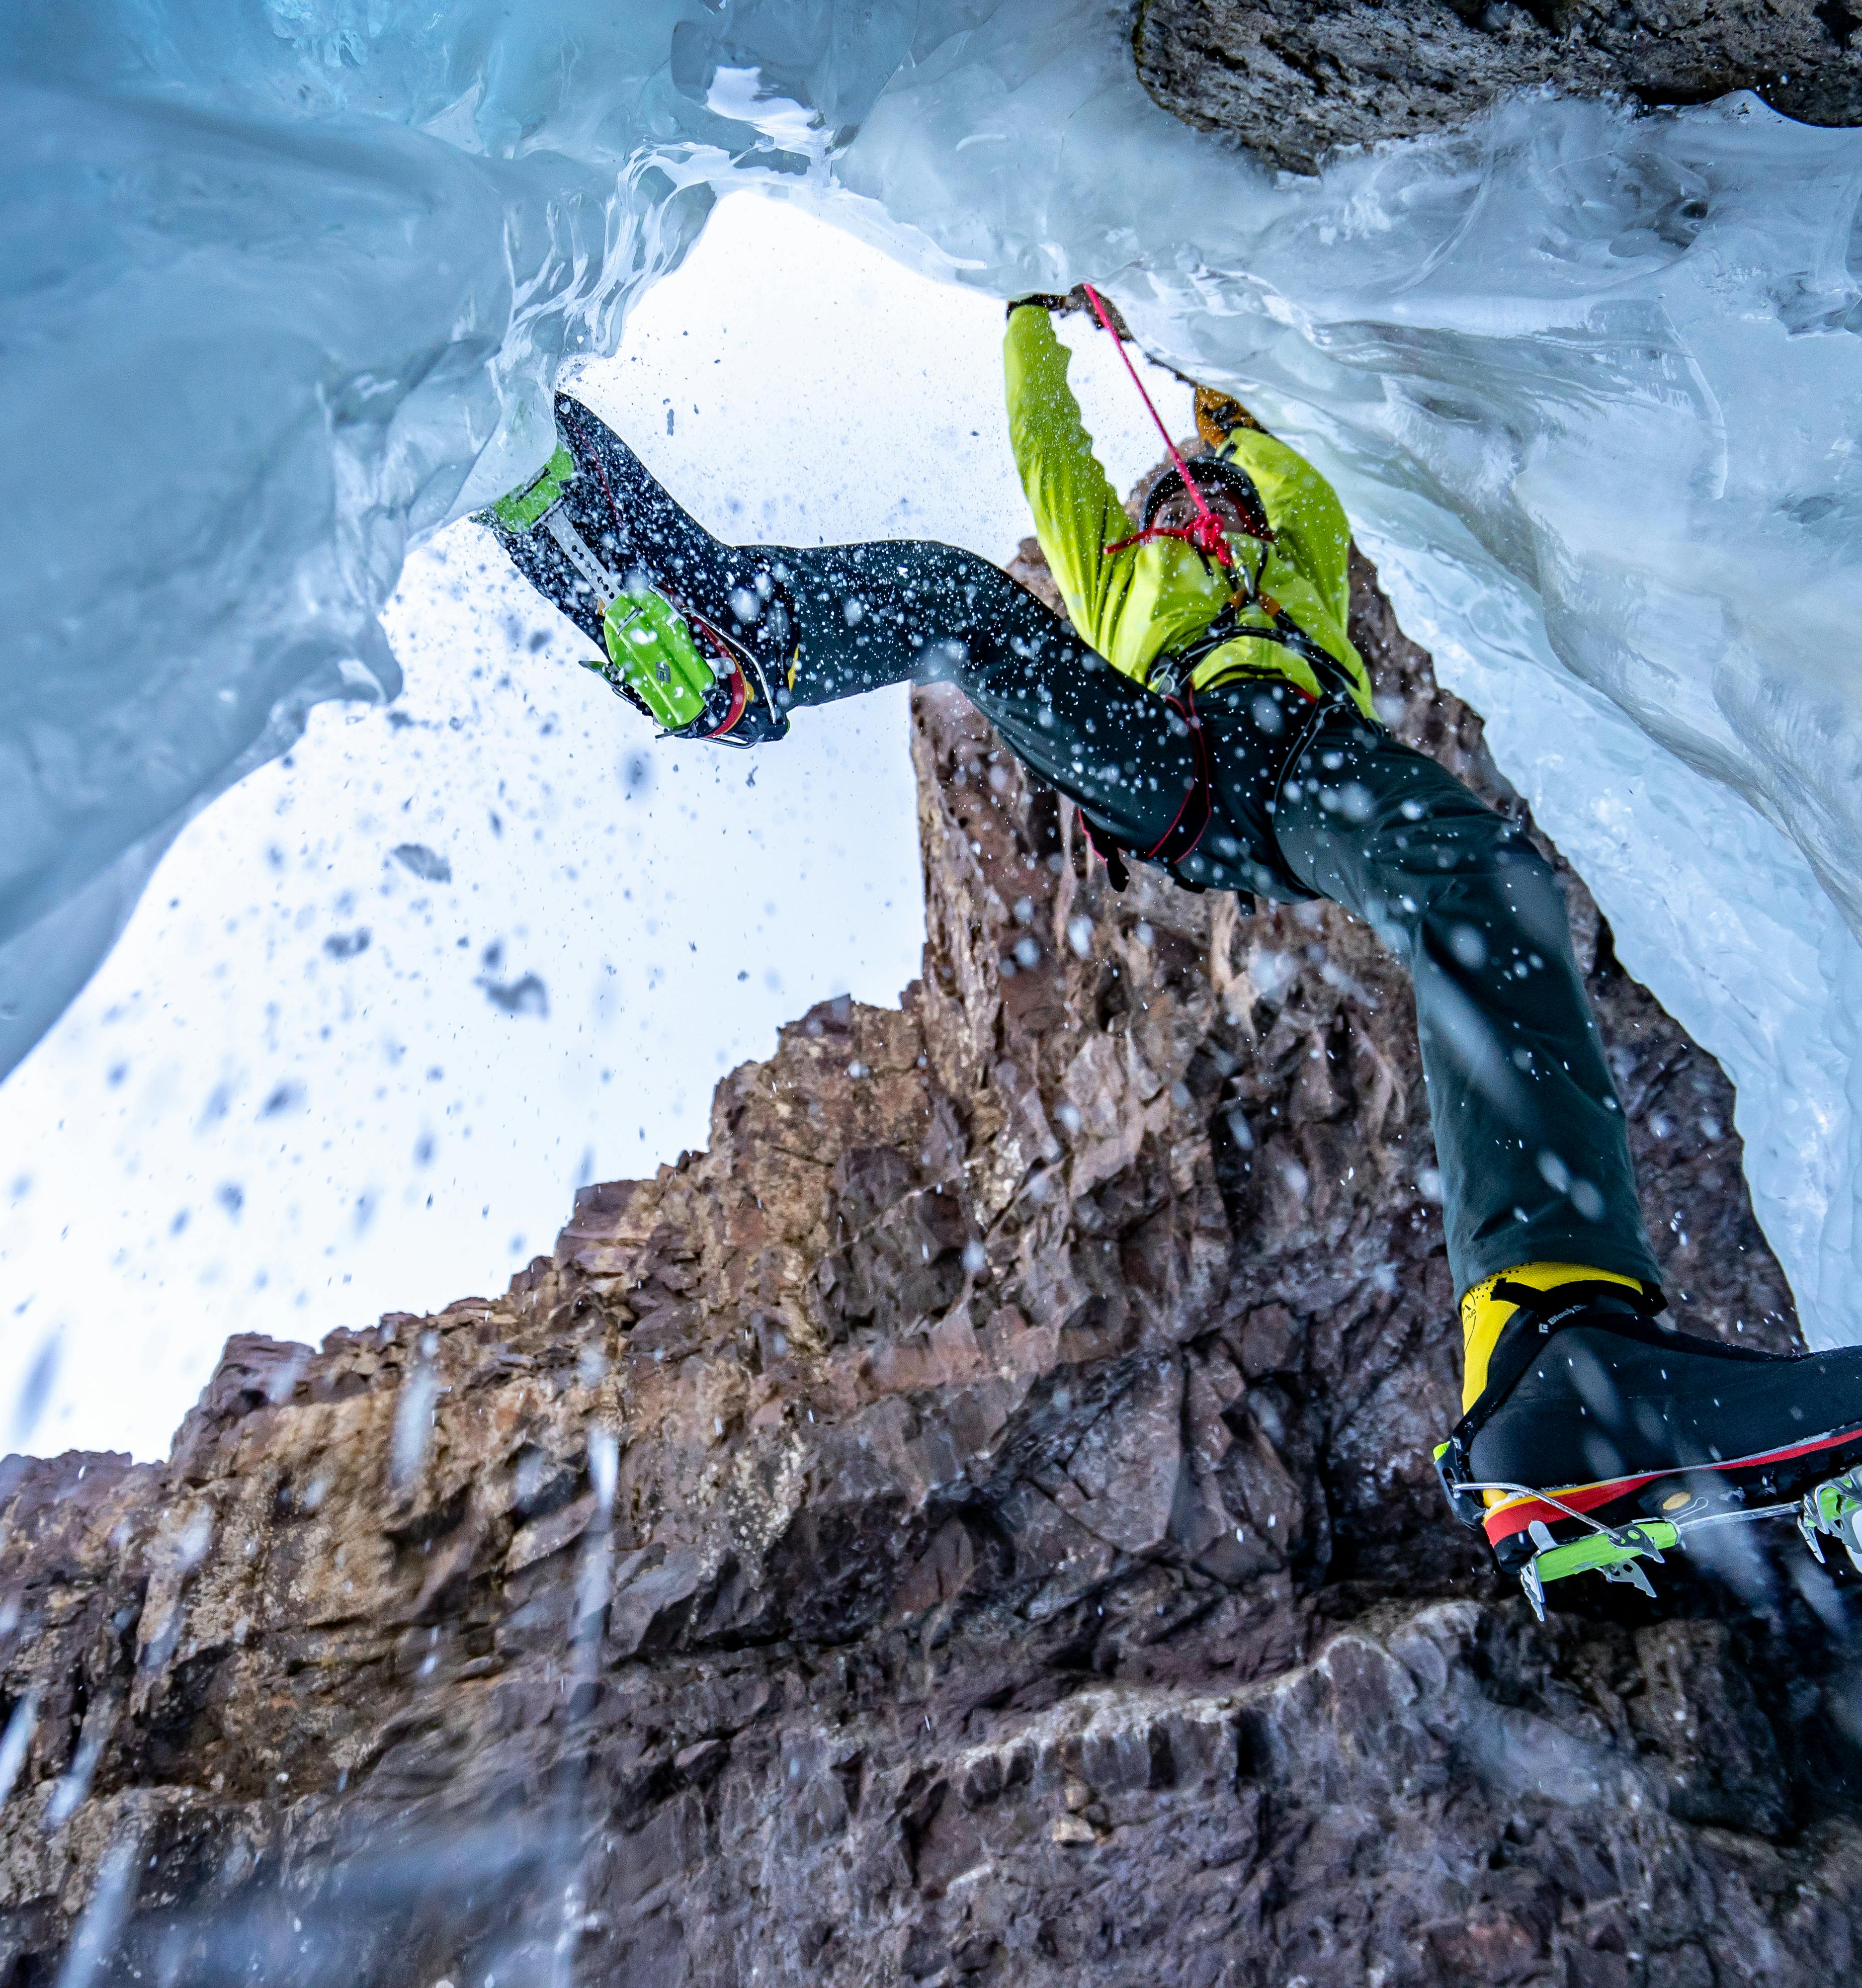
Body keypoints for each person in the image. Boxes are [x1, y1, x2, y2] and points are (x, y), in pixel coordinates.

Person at [484, 292, 1862, 1616]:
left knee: (1488, 882)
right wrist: (1036, 317)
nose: (1176, 505)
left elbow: (1277, 455)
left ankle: (1562, 1359)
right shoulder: (1113, 564)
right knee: (967, 602)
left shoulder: (1294, 540)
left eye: (1200, 490)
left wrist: (1213, 381)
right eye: (1166, 498)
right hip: (1174, 756)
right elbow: (1051, 447)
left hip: (1314, 757)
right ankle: (725, 632)